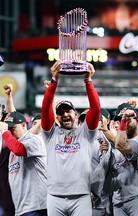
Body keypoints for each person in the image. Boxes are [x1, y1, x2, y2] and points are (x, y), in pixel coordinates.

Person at [41, 60, 101, 216]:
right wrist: (54, 81)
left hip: (81, 195)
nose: (65, 114)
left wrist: (88, 81)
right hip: (54, 195)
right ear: (57, 116)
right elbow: (46, 108)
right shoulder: (50, 133)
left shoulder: (86, 133)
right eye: (61, 112)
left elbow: (96, 109)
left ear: (76, 114)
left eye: (69, 111)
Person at [0, 111, 47, 216]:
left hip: (37, 206)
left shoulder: (34, 140)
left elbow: (19, 149)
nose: (10, 132)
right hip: (22, 208)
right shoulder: (13, 147)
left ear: (24, 125)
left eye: (13, 128)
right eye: (8, 129)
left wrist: (4, 131)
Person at [115, 103, 138, 216]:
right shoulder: (117, 135)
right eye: (121, 120)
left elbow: (120, 145)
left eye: (128, 120)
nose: (124, 122)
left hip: (137, 197)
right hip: (118, 199)